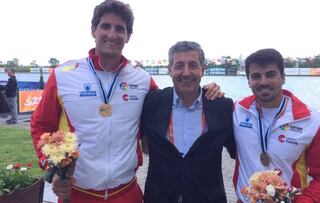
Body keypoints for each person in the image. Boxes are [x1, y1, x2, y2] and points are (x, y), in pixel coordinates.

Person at [30, 1, 221, 203]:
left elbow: (176, 98)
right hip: (78, 195)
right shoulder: (63, 75)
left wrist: (207, 92)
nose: (112, 34)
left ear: (128, 35)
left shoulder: (142, 79)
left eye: (120, 29)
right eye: (105, 26)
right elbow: (41, 125)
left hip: (127, 194)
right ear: (93, 30)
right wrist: (53, 167)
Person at [232, 48, 320, 202]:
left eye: (270, 74)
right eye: (256, 76)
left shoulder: (312, 122)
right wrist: (211, 90)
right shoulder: (236, 110)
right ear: (249, 81)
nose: (263, 81)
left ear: (283, 77)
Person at [140, 41, 235, 203]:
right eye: (179, 66)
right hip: (160, 197)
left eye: (193, 65)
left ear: (203, 70)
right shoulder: (151, 102)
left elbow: (240, 150)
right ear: (169, 70)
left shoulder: (222, 107)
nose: (186, 72)